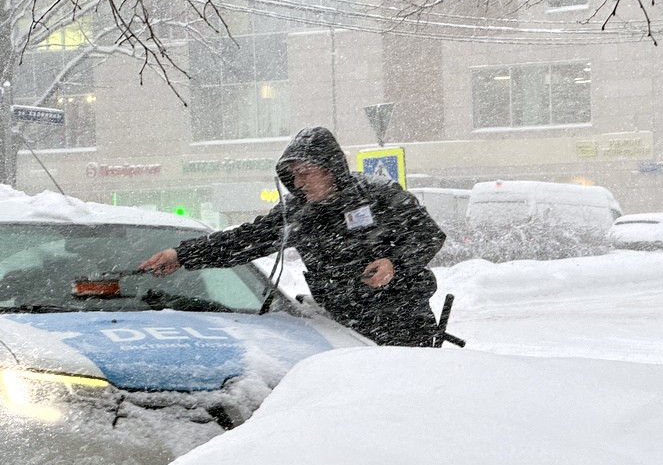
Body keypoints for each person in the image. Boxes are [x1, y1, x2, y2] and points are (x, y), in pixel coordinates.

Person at [140, 126, 447, 347]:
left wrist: (394, 263)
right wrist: (182, 255)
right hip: (339, 328)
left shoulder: (379, 196)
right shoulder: (299, 212)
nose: (297, 182)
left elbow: (429, 235)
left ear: (332, 169)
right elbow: (246, 239)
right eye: (293, 175)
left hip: (403, 324)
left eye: (305, 173)